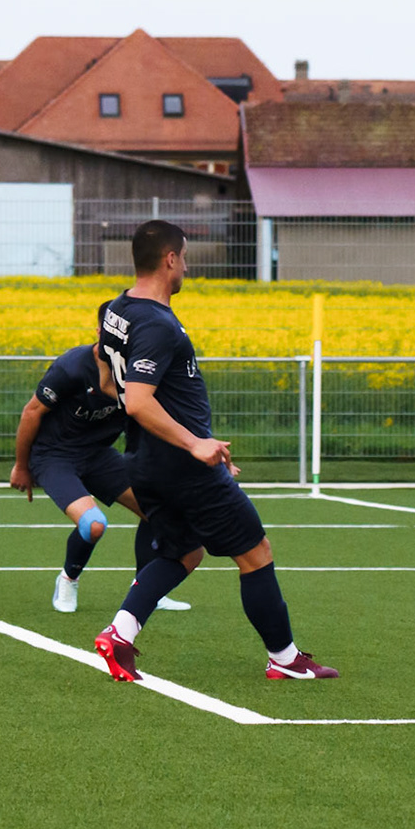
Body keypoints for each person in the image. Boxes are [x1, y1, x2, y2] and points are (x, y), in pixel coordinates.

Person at [91, 219, 336, 682]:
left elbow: (107, 375)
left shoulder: (115, 309)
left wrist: (169, 428)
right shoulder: (157, 324)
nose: (185, 266)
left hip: (144, 459)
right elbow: (140, 399)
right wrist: (196, 443)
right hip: (180, 462)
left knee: (184, 551)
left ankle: (119, 635)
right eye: (183, 258)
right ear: (170, 260)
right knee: (255, 552)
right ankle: (285, 659)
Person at [8, 340, 190, 615]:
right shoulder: (72, 367)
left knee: (159, 510)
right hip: (54, 455)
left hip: (98, 455)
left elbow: (154, 418)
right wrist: (21, 465)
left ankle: (147, 590)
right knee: (94, 525)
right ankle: (68, 579)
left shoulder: (139, 371)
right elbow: (31, 412)